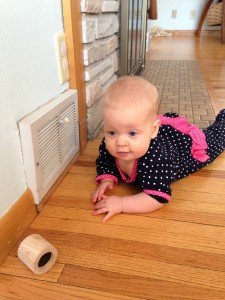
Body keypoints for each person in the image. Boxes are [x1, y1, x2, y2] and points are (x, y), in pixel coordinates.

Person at [92, 76, 225, 222]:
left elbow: (156, 198)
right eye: (112, 132)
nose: (120, 142)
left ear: (153, 130)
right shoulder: (109, 143)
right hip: (160, 135)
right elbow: (105, 160)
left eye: (132, 133)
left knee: (217, 137)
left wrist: (122, 203)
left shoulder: (157, 158)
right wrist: (106, 178)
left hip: (185, 147)